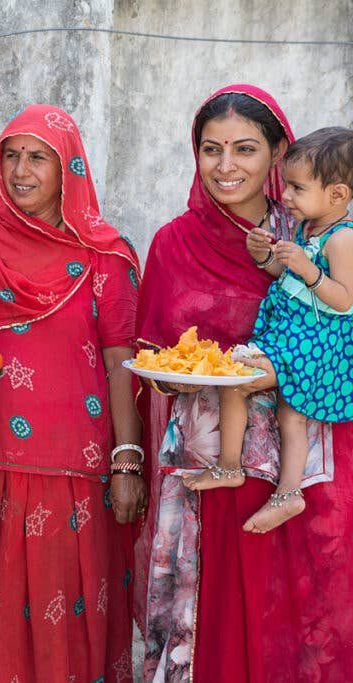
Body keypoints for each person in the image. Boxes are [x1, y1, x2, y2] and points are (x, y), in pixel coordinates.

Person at [136, 85, 353, 682]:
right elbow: (153, 355)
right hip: (210, 462)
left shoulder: (316, 234)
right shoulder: (173, 243)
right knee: (214, 627)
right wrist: (168, 379)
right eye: (211, 149)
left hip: (303, 460)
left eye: (245, 149)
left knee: (295, 615)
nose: (226, 165)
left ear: (279, 154)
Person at [0, 105, 145, 683]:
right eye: (10, 154)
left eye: (38, 157)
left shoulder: (107, 255)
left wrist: (128, 459)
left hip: (76, 471)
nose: (20, 170)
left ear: (67, 168)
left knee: (66, 623)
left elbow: (120, 358)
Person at [185, 127, 353, 534]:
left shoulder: (342, 239)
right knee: (285, 411)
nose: (287, 196)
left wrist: (308, 269)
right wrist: (265, 259)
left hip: (317, 345)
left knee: (246, 385)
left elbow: (344, 299)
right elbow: (288, 280)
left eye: (297, 188)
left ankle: (246, 474)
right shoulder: (307, 228)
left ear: (337, 195)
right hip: (291, 337)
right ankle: (273, 486)